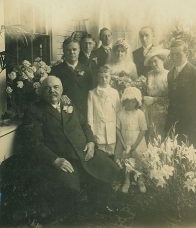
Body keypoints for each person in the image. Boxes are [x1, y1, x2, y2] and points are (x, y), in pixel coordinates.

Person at [21, 76, 123, 216]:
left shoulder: (68, 104)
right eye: (47, 88)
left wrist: (91, 142)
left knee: (111, 168)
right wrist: (55, 160)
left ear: (62, 89)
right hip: (63, 158)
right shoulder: (34, 111)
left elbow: (84, 125)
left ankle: (101, 204)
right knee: (70, 187)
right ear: (41, 92)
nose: (52, 91)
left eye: (56, 87)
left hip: (85, 152)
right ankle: (76, 216)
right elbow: (34, 143)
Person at [165, 40, 196, 149]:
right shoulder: (170, 74)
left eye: (178, 54)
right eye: (172, 54)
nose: (174, 57)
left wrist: (194, 133)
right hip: (172, 125)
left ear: (186, 54)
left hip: (189, 129)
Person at [115, 87, 147, 194]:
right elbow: (118, 129)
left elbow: (143, 130)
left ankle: (140, 180)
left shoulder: (140, 114)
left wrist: (135, 145)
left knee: (138, 161)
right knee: (126, 161)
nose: (130, 104)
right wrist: (123, 144)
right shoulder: (120, 113)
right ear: (124, 101)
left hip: (137, 142)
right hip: (125, 141)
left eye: (133, 102)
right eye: (128, 101)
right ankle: (127, 180)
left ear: (137, 102)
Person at [51, 37, 93, 117]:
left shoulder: (87, 70)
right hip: (64, 112)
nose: (72, 52)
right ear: (64, 51)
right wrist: (60, 95)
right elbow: (51, 92)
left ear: (79, 50)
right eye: (68, 50)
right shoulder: (56, 71)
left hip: (84, 111)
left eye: (74, 49)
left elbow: (91, 91)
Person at [88, 65, 120, 156]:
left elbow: (118, 112)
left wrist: (118, 130)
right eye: (101, 77)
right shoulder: (92, 93)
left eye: (106, 77)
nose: (104, 79)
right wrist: (92, 132)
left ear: (110, 78)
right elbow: (90, 115)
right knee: (100, 156)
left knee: (112, 156)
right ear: (97, 78)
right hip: (98, 131)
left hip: (111, 131)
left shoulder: (114, 92)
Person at [143, 47, 169, 141]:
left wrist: (154, 100)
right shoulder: (149, 74)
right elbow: (146, 93)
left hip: (164, 112)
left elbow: (171, 98)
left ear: (162, 60)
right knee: (151, 137)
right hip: (150, 112)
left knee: (161, 138)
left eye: (155, 61)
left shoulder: (168, 75)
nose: (153, 64)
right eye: (151, 63)